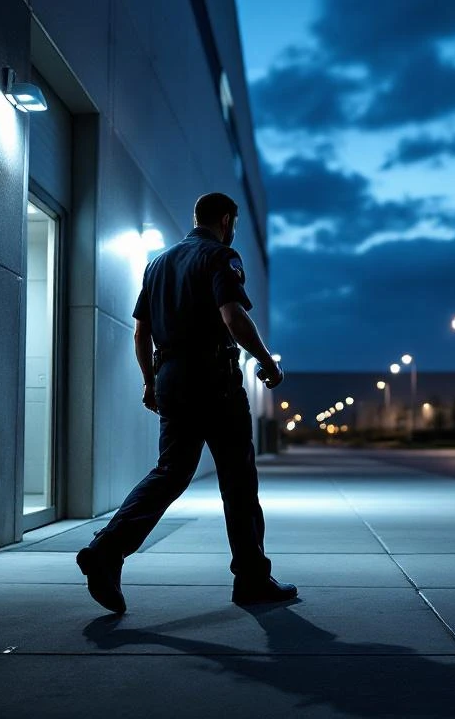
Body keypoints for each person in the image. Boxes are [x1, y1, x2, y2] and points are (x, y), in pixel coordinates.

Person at [76, 192, 297, 614]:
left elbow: (140, 333)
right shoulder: (220, 256)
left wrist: (149, 383)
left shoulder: (157, 264)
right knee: (238, 479)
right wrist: (267, 362)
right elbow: (232, 317)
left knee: (171, 472)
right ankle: (251, 578)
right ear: (227, 219)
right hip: (214, 380)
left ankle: (107, 551)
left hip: (171, 379)